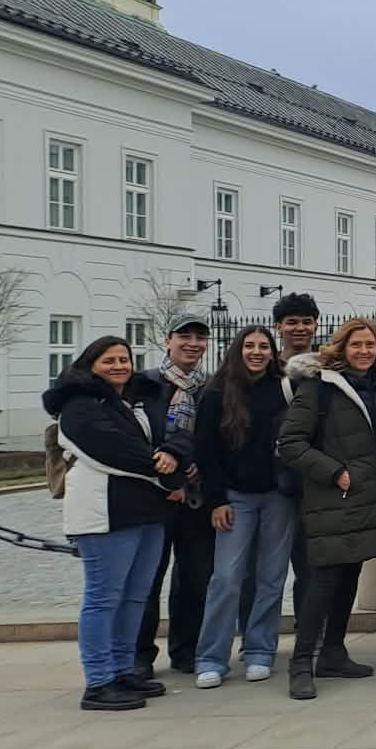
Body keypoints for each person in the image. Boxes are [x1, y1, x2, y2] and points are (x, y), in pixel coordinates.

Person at [44, 336, 189, 710]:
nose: (120, 366)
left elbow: (169, 435)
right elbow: (113, 450)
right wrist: (165, 473)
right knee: (104, 597)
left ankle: (123, 669)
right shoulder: (79, 406)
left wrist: (173, 453)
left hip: (146, 509)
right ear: (91, 364)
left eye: (124, 359)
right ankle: (99, 680)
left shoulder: (136, 400)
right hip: (105, 512)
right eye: (109, 360)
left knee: (136, 596)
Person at [276, 317, 376, 699]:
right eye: (356, 345)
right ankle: (300, 663)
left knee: (348, 579)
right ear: (341, 347)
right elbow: (290, 443)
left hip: (362, 498)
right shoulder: (319, 387)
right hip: (331, 497)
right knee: (322, 582)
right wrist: (335, 473)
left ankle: (333, 653)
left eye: (370, 345)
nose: (364, 351)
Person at [194, 326, 295, 687]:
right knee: (226, 579)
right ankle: (211, 657)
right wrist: (216, 500)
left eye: (263, 346)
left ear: (272, 352)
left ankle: (259, 650)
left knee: (271, 578)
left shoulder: (283, 389)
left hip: (278, 496)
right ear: (238, 350)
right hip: (235, 496)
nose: (257, 352)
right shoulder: (218, 392)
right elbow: (206, 451)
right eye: (250, 346)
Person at [132, 312, 211, 678]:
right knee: (148, 578)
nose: (192, 344)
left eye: (199, 337)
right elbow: (136, 436)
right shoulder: (144, 384)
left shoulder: (210, 388)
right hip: (155, 495)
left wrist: (200, 468)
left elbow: (218, 438)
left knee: (194, 579)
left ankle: (187, 650)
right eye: (185, 336)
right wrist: (173, 474)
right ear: (168, 341)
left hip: (198, 498)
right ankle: (140, 654)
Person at [267, 292, 321, 621]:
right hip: (270, 479)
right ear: (279, 327)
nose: (299, 328)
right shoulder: (265, 367)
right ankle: (255, 639)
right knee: (264, 566)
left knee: (311, 564)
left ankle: (309, 632)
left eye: (306, 322)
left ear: (315, 325)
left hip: (312, 479)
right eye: (292, 322)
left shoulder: (325, 369)